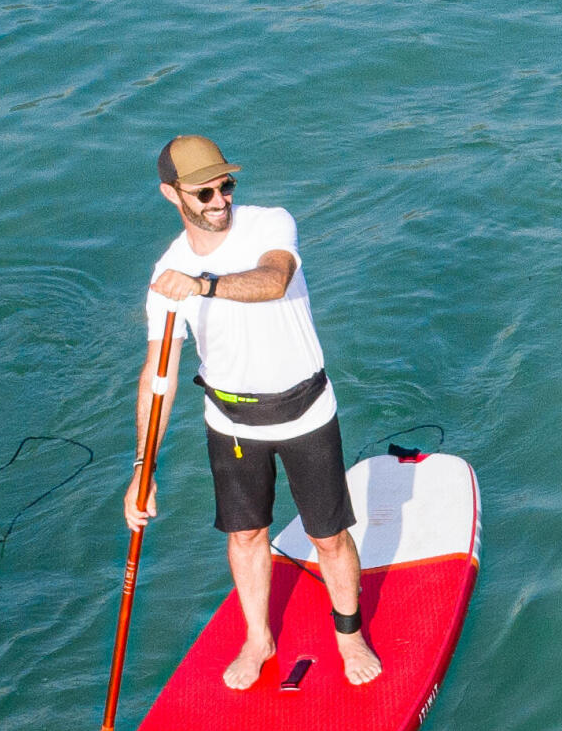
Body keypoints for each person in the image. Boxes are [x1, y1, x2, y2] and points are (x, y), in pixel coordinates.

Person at [127, 134, 380, 689]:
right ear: (172, 195)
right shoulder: (166, 275)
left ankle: (349, 632)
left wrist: (202, 285)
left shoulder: (269, 225)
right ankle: (257, 637)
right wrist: (141, 473)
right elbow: (158, 379)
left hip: (305, 410)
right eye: (204, 192)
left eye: (226, 185)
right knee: (245, 536)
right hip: (231, 421)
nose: (220, 199)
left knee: (328, 537)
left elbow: (273, 281)